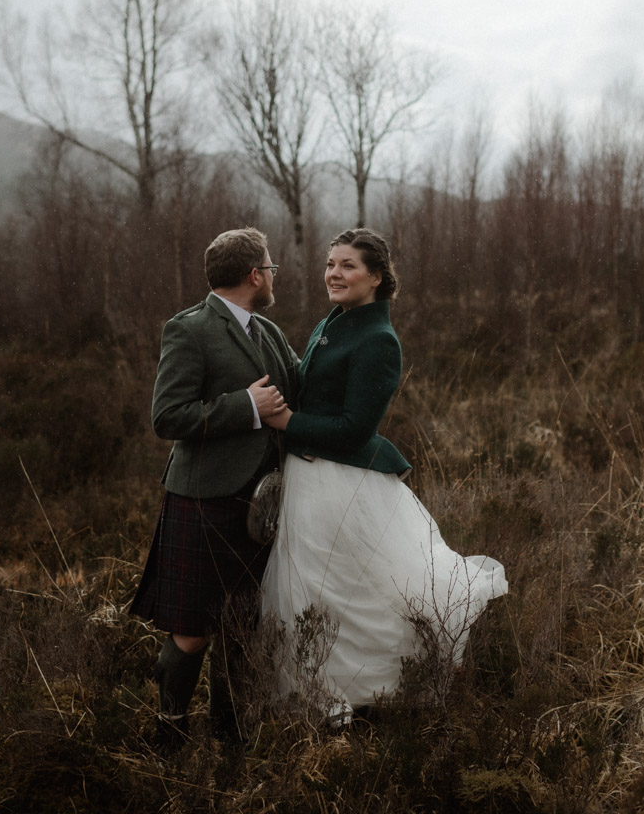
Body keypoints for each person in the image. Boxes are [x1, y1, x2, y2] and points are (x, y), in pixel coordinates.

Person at [261, 227, 507, 724]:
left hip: (342, 483)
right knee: (313, 591)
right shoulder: (336, 319)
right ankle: (319, 695)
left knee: (352, 592)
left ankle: (380, 689)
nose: (334, 273)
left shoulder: (378, 339)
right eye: (331, 264)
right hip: (309, 478)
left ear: (376, 277)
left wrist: (288, 422)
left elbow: (355, 429)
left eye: (348, 265)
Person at [130, 227, 300, 748]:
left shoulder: (267, 332)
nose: (273, 277)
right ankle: (170, 733)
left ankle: (231, 739)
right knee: (193, 629)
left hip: (260, 509)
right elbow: (167, 416)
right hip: (203, 501)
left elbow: (302, 382)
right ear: (254, 275)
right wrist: (246, 407)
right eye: (270, 268)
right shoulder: (190, 330)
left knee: (243, 626)